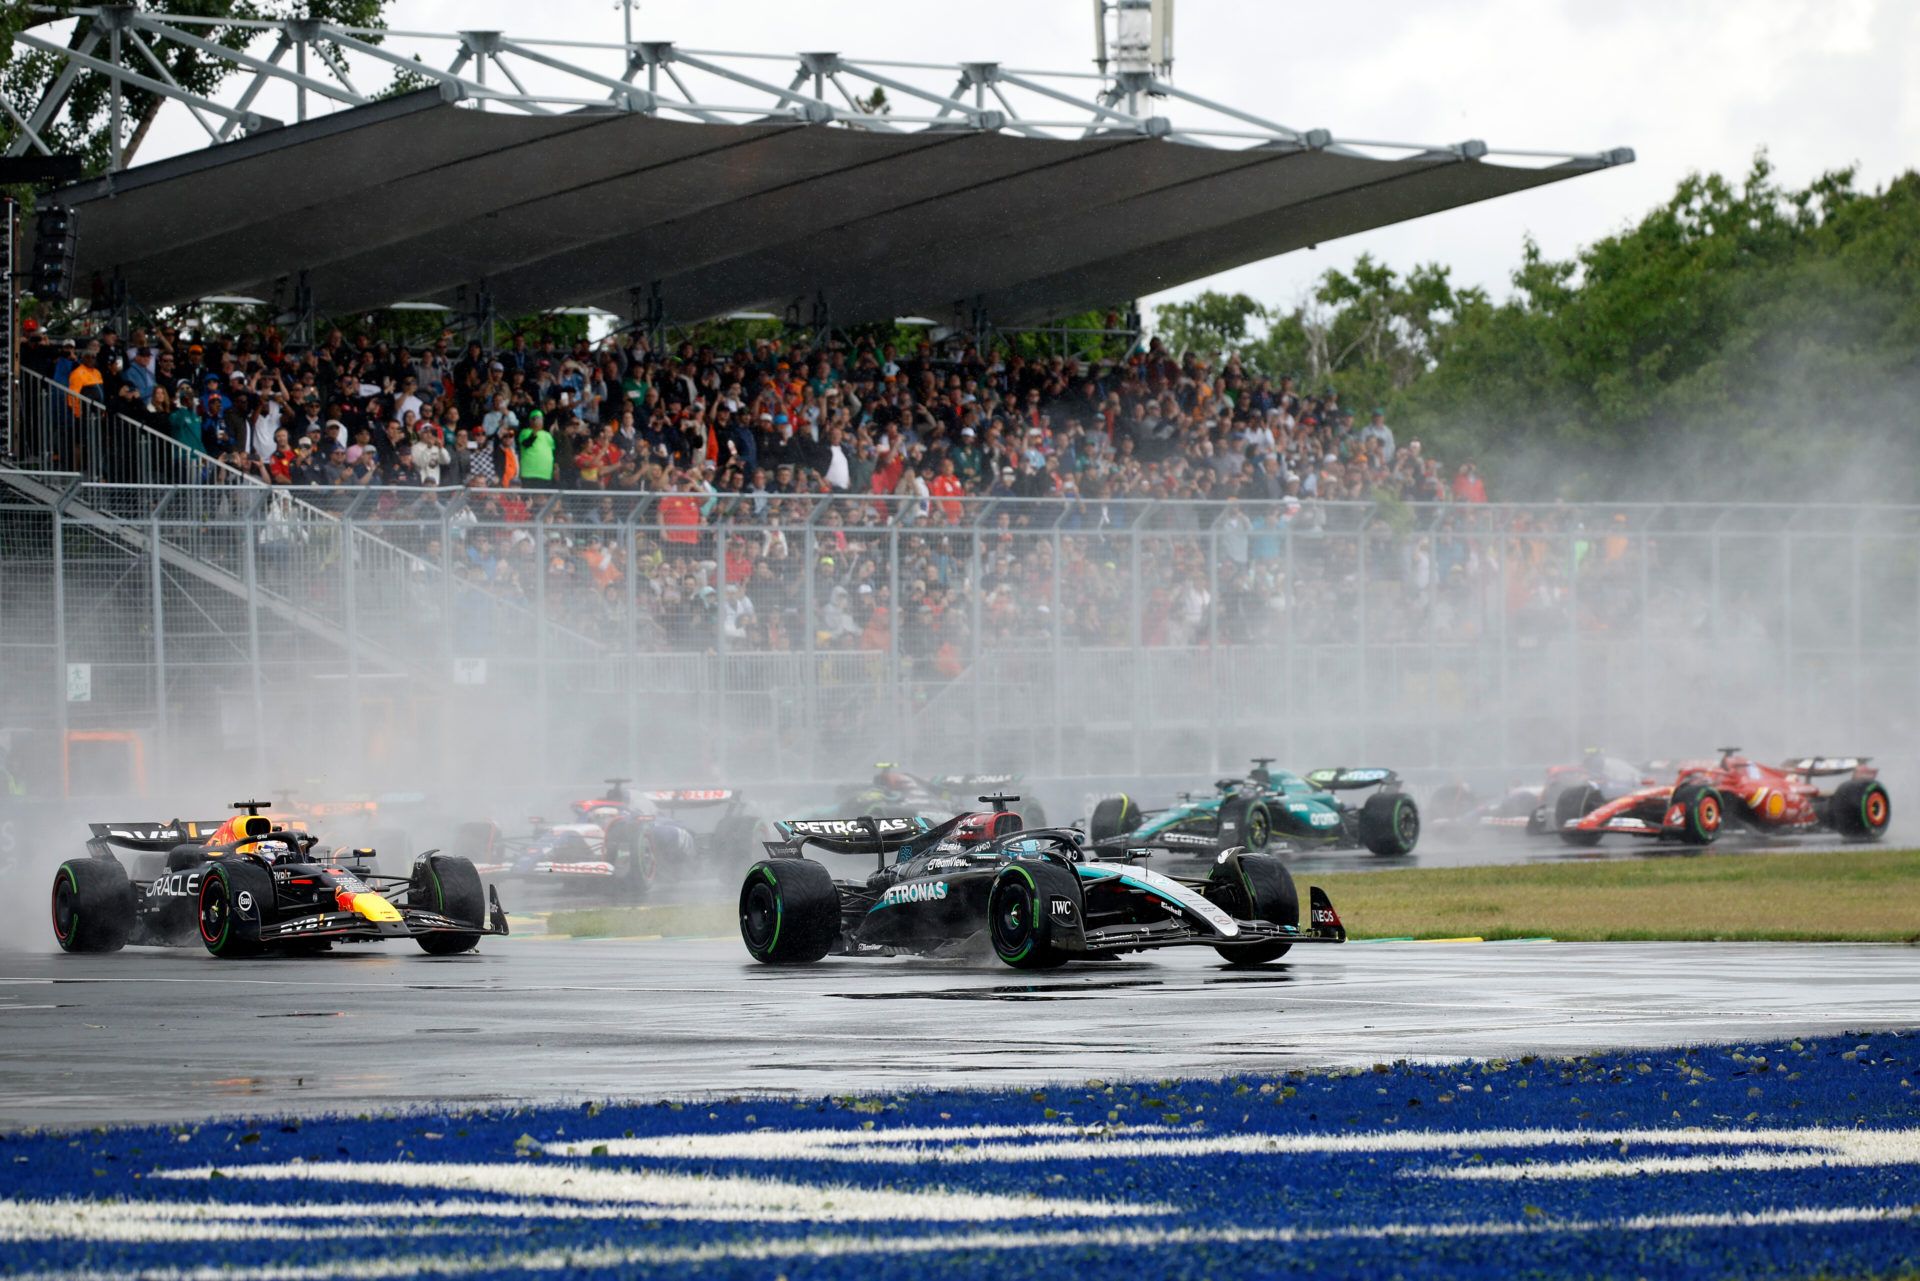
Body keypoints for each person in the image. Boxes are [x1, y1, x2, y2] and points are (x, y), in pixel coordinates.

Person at [517, 410, 556, 488]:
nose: (539, 421)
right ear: (531, 421)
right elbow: (527, 443)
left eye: (541, 419)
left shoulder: (547, 435)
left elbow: (554, 451)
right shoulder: (525, 432)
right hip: (529, 473)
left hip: (545, 474)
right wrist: (535, 430)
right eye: (536, 419)